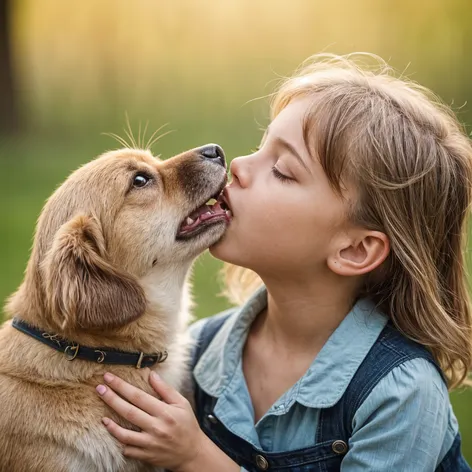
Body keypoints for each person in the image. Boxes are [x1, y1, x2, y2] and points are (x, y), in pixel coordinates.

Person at [95, 53, 472, 471]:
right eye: (260, 146)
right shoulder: (196, 353)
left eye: (282, 170)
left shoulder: (401, 394)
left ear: (354, 250)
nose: (237, 166)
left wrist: (195, 457)